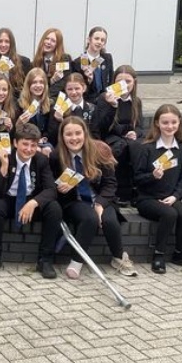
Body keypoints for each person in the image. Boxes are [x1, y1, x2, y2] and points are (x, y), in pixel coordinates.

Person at [51, 116, 137, 279]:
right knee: (90, 219)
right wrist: (63, 189)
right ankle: (77, 261)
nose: (74, 138)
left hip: (100, 198)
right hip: (75, 201)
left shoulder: (99, 151)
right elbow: (52, 188)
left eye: (78, 133)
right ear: (62, 136)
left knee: (110, 221)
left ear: (85, 133)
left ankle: (119, 258)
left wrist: (99, 204)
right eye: (69, 134)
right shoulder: (56, 156)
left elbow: (110, 183)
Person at [0, 123, 62, 278]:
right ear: (15, 143)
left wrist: (33, 203)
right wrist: (4, 167)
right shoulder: (4, 157)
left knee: (54, 208)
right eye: (25, 144)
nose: (28, 149)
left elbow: (51, 189)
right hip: (7, 199)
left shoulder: (40, 160)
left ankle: (45, 259)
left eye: (33, 145)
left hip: (30, 201)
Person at [133, 104, 182, 274]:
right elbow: (137, 179)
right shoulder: (147, 148)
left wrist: (175, 197)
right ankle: (159, 254)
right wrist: (152, 176)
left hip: (170, 197)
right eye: (165, 122)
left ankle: (180, 254)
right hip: (148, 199)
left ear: (179, 123)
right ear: (157, 123)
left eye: (173, 122)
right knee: (169, 214)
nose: (169, 126)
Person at [92, 65, 143, 204]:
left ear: (134, 82)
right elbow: (102, 126)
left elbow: (139, 126)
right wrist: (112, 106)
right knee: (120, 148)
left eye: (128, 81)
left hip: (129, 138)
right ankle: (115, 190)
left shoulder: (136, 102)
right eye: (120, 81)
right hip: (111, 136)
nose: (124, 85)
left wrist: (135, 132)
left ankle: (136, 189)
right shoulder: (104, 98)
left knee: (138, 147)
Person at [47, 73, 96, 143]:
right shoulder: (57, 109)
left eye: (77, 88)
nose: (73, 92)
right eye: (70, 89)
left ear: (84, 88)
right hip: (64, 148)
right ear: (65, 90)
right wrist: (58, 121)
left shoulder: (92, 109)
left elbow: (95, 135)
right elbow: (52, 138)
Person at [72, 26, 115, 104]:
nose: (99, 42)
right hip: (88, 101)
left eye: (102, 40)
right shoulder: (78, 62)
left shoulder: (107, 58)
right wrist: (88, 80)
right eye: (96, 38)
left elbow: (111, 79)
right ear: (89, 40)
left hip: (106, 99)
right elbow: (78, 89)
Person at [16, 68, 53, 155]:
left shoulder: (49, 104)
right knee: (37, 151)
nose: (38, 85)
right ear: (28, 85)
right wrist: (18, 124)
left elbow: (49, 130)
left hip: (43, 141)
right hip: (26, 140)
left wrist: (43, 138)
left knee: (47, 150)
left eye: (41, 82)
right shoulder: (19, 104)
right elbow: (15, 133)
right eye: (34, 82)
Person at [0, 28, 32, 99]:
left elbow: (28, 88)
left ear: (12, 44)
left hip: (18, 103)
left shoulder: (24, 62)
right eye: (0, 41)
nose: (3, 45)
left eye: (7, 42)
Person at [33, 28, 72, 99]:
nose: (48, 42)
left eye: (53, 41)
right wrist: (51, 81)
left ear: (58, 44)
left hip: (57, 99)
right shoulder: (35, 62)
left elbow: (61, 84)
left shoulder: (64, 59)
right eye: (47, 39)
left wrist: (44, 98)